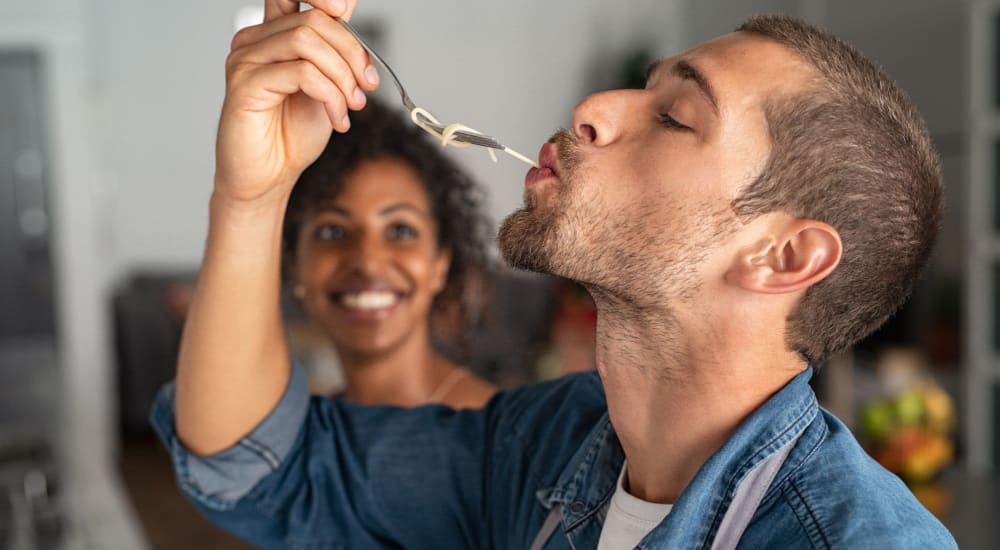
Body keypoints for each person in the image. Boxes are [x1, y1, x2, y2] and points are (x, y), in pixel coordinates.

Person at [151, 1, 957, 548]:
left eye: (676, 117)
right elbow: (257, 464)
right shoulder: (546, 447)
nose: (594, 107)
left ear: (784, 256)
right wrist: (253, 194)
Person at [281, 99, 496, 408]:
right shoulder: (302, 431)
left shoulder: (498, 435)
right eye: (333, 231)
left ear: (440, 263)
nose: (368, 263)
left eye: (400, 231)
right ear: (295, 265)